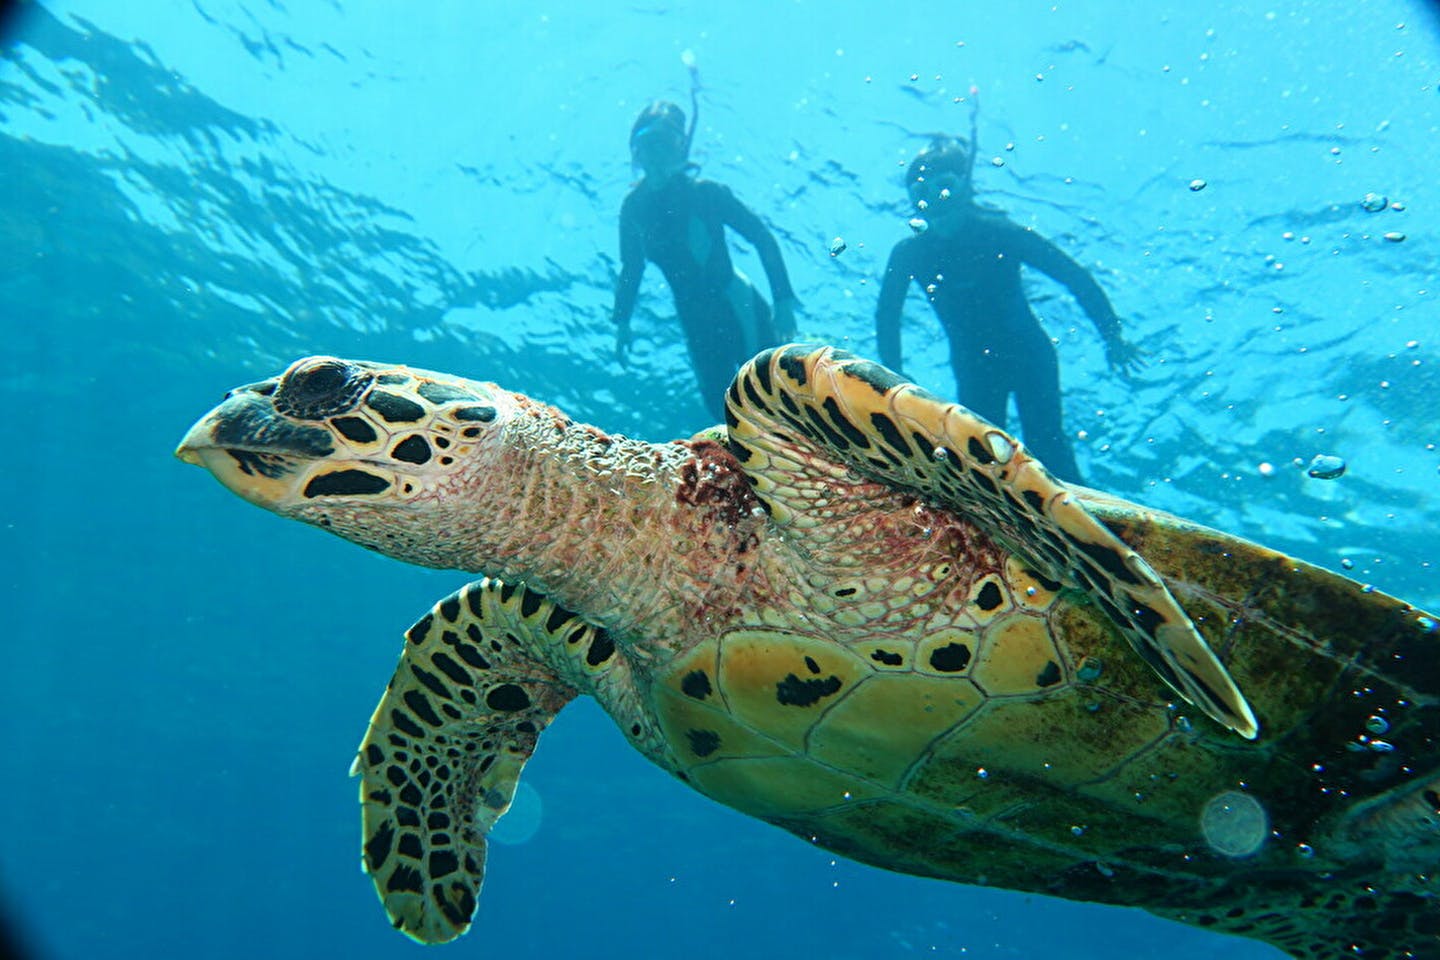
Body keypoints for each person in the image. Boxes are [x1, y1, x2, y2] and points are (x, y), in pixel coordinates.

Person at [875, 136, 1143, 483]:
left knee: (1048, 448)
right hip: (973, 366)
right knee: (981, 462)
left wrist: (1112, 335)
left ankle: (1081, 522)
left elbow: (1074, 276)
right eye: (921, 194)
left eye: (944, 187)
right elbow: (887, 318)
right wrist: (891, 384)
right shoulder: (909, 254)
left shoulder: (1000, 233)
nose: (935, 203)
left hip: (1029, 355)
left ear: (965, 188)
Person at [612, 100, 799, 423]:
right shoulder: (634, 209)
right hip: (694, 318)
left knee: (775, 394)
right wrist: (622, 322)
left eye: (666, 143)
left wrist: (783, 301)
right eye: (648, 144)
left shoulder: (707, 194)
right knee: (721, 407)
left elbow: (762, 237)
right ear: (636, 151)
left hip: (737, 301)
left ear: (681, 149)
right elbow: (632, 269)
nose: (657, 155)